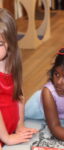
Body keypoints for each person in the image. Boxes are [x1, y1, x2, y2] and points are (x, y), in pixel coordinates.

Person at [0, 8, 37, 146]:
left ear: (10, 43)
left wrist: (20, 125)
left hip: (9, 130)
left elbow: (19, 95)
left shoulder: (12, 64)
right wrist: (6, 138)